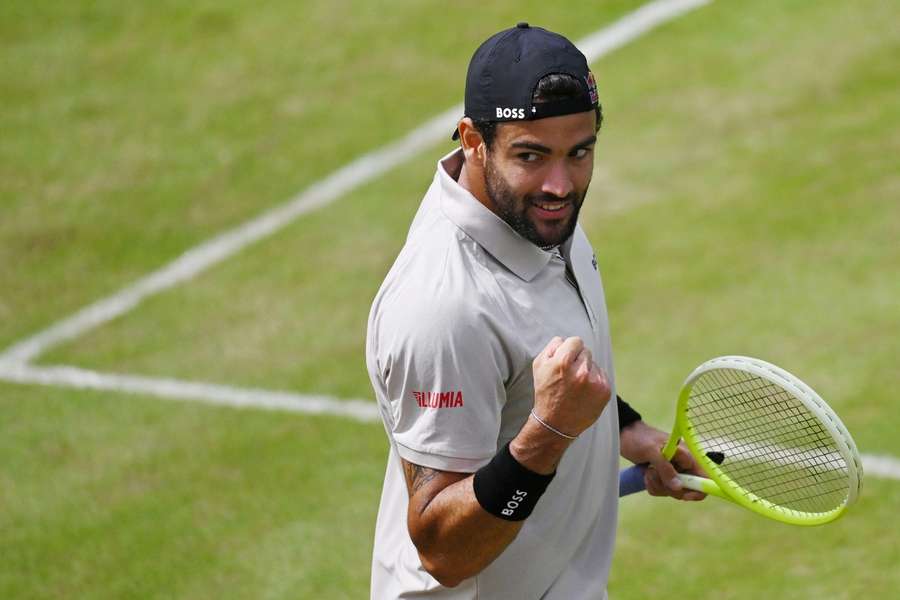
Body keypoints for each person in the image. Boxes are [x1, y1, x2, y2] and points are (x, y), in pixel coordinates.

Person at [365, 23, 705, 599]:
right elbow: (442, 550)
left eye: (580, 152)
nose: (560, 184)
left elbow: (538, 354)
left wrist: (625, 430)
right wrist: (549, 433)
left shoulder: (534, 215)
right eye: (531, 155)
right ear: (473, 141)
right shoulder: (444, 309)